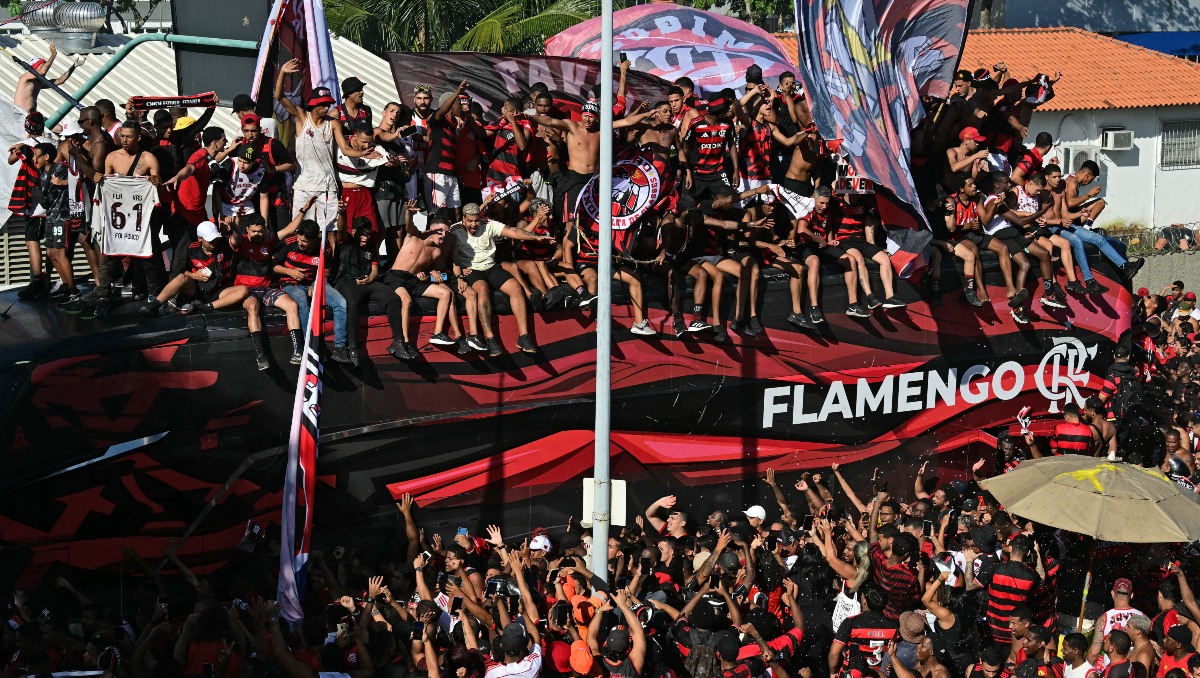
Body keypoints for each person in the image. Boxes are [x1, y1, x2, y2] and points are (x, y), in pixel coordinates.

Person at [274, 58, 377, 240]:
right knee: (300, 232)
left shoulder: (334, 123)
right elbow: (279, 96)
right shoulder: (301, 118)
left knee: (329, 233)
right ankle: (302, 264)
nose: (326, 107)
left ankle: (327, 268)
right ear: (313, 104)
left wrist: (363, 153)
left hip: (327, 186)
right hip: (303, 186)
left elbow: (345, 149)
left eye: (328, 103)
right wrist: (282, 72)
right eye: (322, 104)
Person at [450, 202, 555, 356]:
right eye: (470, 221)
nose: (474, 224)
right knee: (483, 289)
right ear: (464, 219)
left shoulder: (488, 224)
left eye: (476, 220)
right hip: (471, 270)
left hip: (491, 266)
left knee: (516, 287)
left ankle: (524, 337)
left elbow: (514, 231)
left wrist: (536, 237)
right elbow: (446, 253)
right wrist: (458, 274)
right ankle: (490, 339)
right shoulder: (455, 230)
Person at [273, 219, 352, 364]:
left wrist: (316, 282)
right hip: (291, 283)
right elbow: (273, 266)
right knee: (302, 304)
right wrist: (290, 272)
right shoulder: (289, 242)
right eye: (300, 239)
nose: (300, 243)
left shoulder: (324, 248)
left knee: (341, 303)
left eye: (305, 241)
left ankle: (340, 347)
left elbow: (327, 271)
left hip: (316, 282)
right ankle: (312, 346)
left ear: (315, 239)